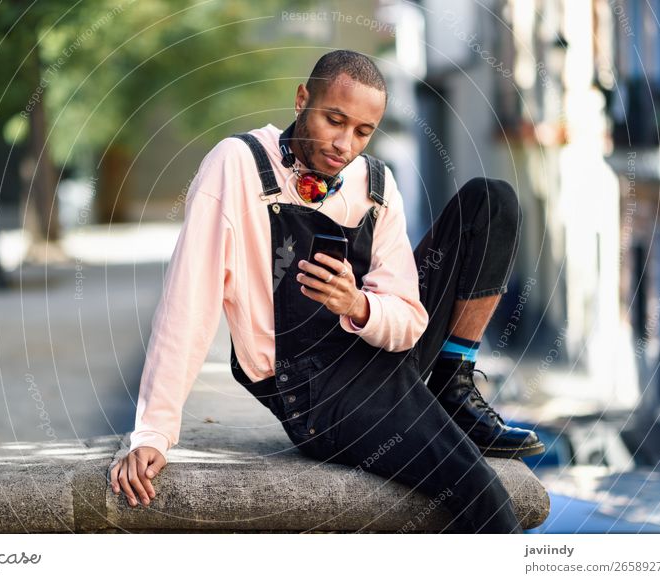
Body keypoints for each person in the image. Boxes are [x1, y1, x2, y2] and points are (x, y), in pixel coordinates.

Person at [109, 49, 545, 533]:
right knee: (485, 501)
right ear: (302, 100)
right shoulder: (236, 165)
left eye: (363, 132)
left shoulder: (376, 183)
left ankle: (451, 386)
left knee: (491, 200)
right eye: (333, 120)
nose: (345, 144)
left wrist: (357, 304)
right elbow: (187, 303)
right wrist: (153, 432)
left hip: (383, 349)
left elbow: (409, 319)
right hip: (318, 392)